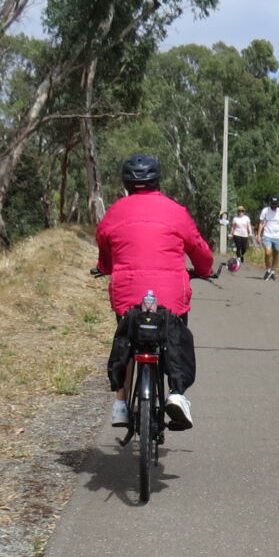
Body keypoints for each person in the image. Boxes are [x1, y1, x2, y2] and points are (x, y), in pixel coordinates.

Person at [96, 153, 215, 430]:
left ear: (126, 182)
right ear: (157, 180)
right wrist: (205, 270)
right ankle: (176, 394)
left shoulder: (114, 212)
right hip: (170, 296)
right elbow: (199, 248)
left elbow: (105, 250)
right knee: (175, 336)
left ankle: (121, 405)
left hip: (128, 295)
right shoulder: (176, 211)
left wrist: (104, 266)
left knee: (126, 340)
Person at [257, 195, 279, 279]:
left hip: (277, 236)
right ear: (270, 203)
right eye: (272, 203)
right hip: (267, 235)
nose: (274, 205)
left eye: (275, 204)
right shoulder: (265, 211)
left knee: (276, 254)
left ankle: (273, 271)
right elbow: (261, 223)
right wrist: (258, 235)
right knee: (268, 252)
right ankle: (268, 269)